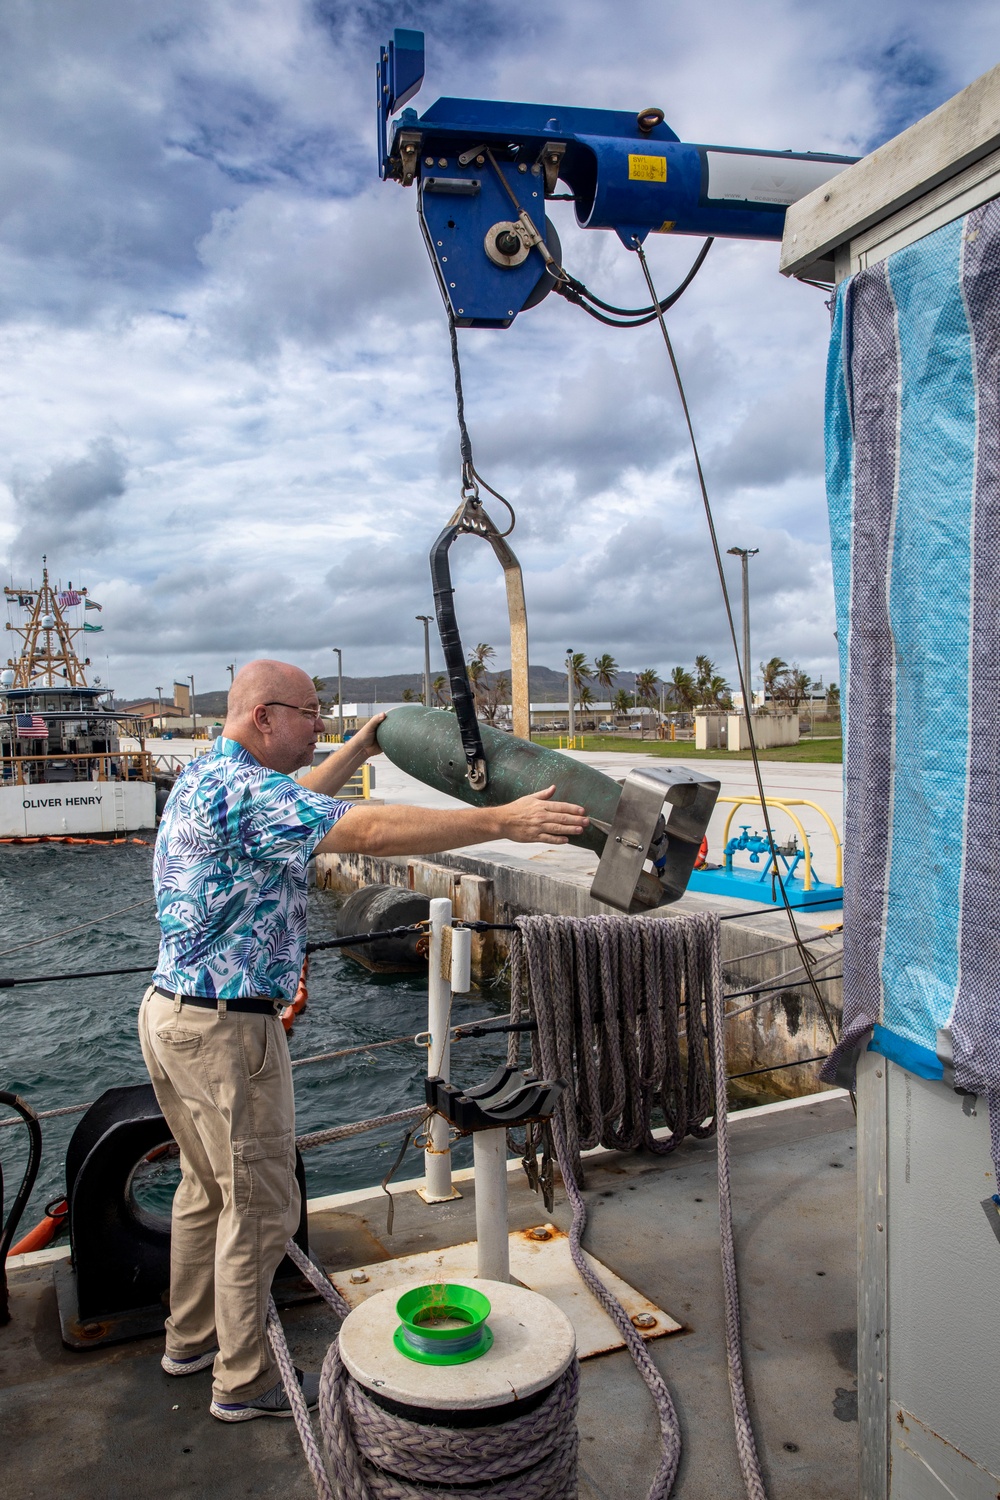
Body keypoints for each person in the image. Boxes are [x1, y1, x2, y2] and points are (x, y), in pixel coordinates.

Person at [138, 658, 587, 1422]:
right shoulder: (242, 787)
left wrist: (361, 750)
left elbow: (304, 807)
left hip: (171, 1016)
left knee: (205, 1191)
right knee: (261, 1208)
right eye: (311, 713)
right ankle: (243, 1384)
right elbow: (364, 827)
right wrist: (500, 822)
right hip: (226, 1030)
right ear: (264, 718)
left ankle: (189, 1340)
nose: (322, 724)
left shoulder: (212, 777)